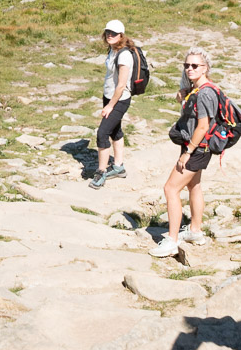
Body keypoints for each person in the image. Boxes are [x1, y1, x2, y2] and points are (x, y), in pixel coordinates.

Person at [151, 48, 220, 257]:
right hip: (199, 146)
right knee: (194, 185)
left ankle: (171, 241)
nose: (190, 69)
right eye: (187, 65)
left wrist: (187, 153)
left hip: (197, 147)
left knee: (170, 189)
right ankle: (195, 231)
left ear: (205, 68)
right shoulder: (199, 90)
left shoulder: (205, 93)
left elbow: (202, 126)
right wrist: (183, 97)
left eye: (195, 66)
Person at [91, 20, 139, 187]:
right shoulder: (112, 50)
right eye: (108, 32)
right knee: (115, 130)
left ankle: (101, 172)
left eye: (114, 33)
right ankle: (118, 167)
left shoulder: (124, 55)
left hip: (119, 100)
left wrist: (110, 105)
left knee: (102, 133)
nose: (110, 35)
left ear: (121, 35)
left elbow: (121, 85)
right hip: (109, 96)